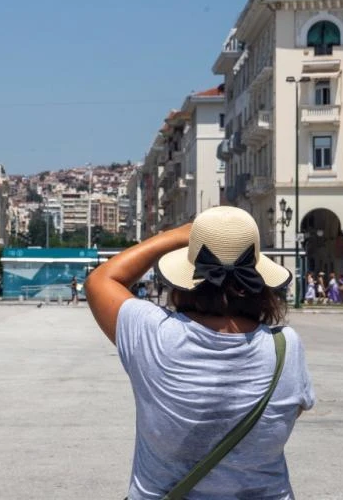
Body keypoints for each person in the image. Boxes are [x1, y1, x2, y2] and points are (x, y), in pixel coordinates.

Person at [85, 206, 315, 500]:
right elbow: (288, 414)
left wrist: (174, 236)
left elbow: (102, 280)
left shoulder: (153, 335)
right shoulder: (286, 347)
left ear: (188, 274)